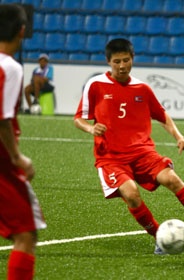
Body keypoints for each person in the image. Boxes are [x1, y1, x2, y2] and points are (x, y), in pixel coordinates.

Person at [74, 38, 184, 254]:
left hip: (143, 152)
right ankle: (159, 238)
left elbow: (162, 115)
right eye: (117, 61)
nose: (122, 65)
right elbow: (79, 118)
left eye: (126, 60)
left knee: (172, 179)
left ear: (132, 58)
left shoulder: (142, 88)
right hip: (111, 157)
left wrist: (179, 137)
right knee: (131, 193)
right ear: (108, 61)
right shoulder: (96, 85)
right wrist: (91, 129)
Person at [0, 4, 47, 279]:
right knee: (26, 235)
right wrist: (18, 157)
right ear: (22, 30)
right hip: (3, 163)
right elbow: (2, 120)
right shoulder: (11, 68)